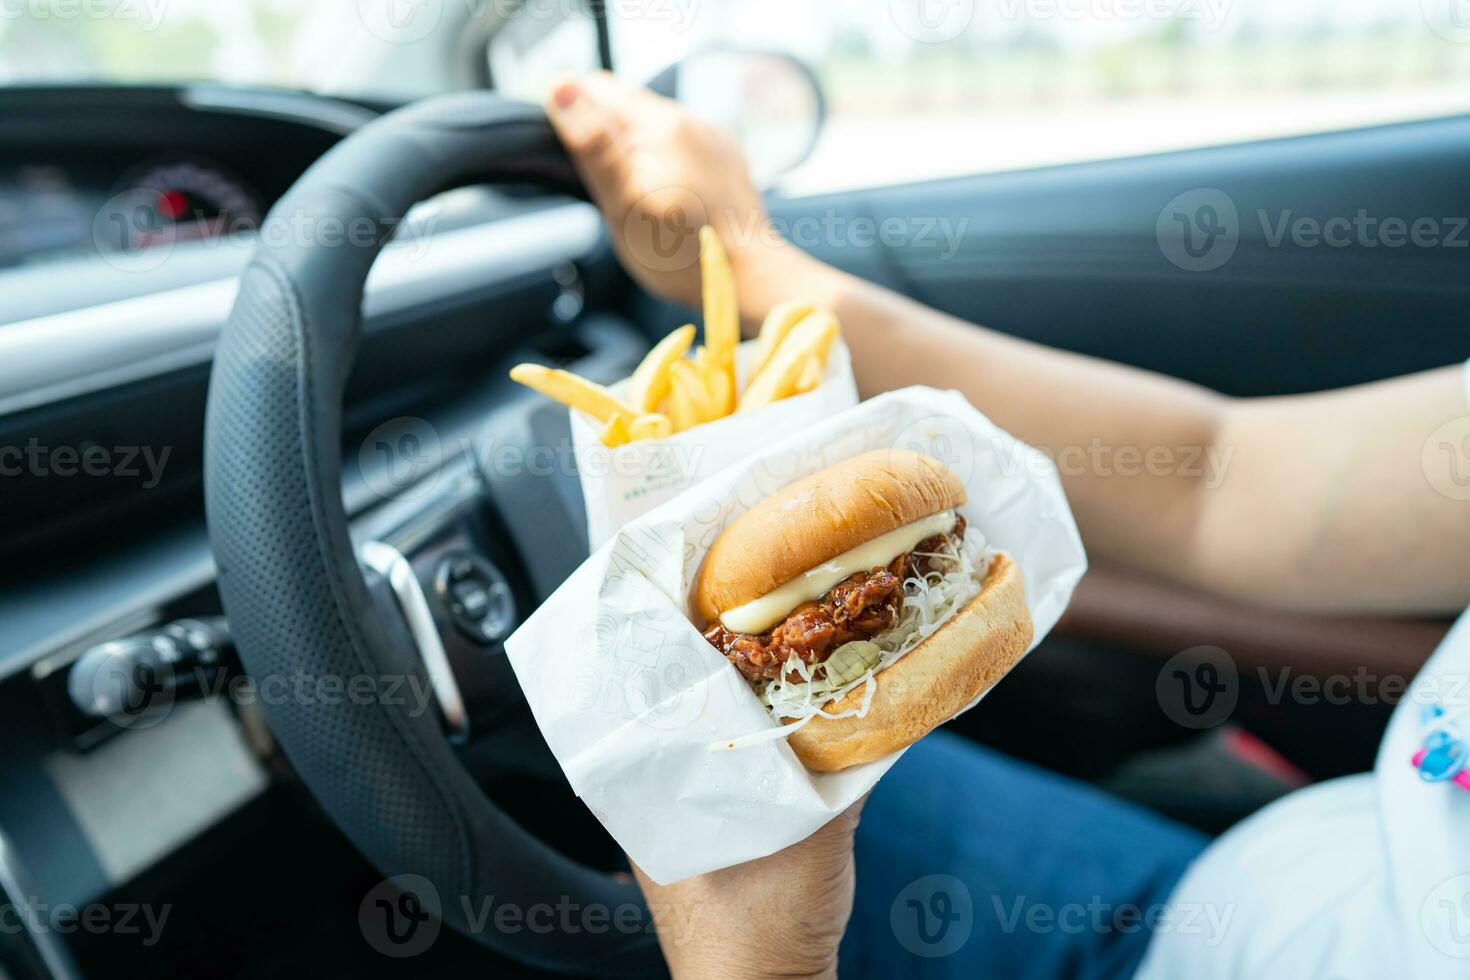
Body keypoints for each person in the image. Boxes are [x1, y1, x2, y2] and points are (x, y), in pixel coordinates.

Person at [544, 73, 1470, 979]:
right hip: (1243, 893)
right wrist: (753, 265)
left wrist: (757, 961)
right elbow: (1216, 478)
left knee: (591, 849)